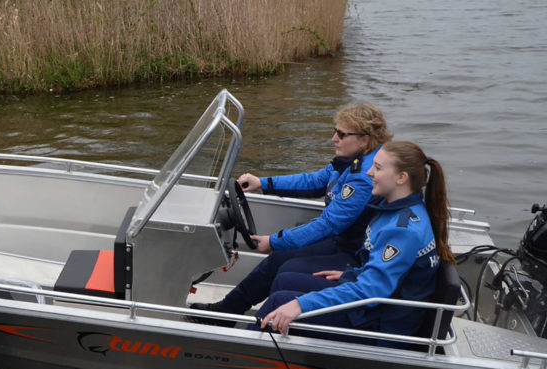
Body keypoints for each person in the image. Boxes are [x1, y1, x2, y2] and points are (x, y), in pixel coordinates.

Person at [190, 103, 392, 325]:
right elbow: (314, 181)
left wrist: (274, 241)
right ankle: (228, 310)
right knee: (279, 258)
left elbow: (328, 225)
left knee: (285, 266)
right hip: (342, 241)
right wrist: (263, 183)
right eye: (335, 131)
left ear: (364, 140)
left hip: (353, 252)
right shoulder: (350, 162)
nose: (334, 138)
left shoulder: (361, 177)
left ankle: (255, 325)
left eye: (342, 134)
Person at [256, 141, 456, 346]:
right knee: (285, 281)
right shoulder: (395, 208)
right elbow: (386, 275)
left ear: (401, 178)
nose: (369, 172)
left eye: (378, 168)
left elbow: (370, 291)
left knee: (280, 301)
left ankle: (247, 352)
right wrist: (354, 274)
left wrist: (301, 305)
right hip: (375, 306)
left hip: (380, 325)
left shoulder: (402, 230)